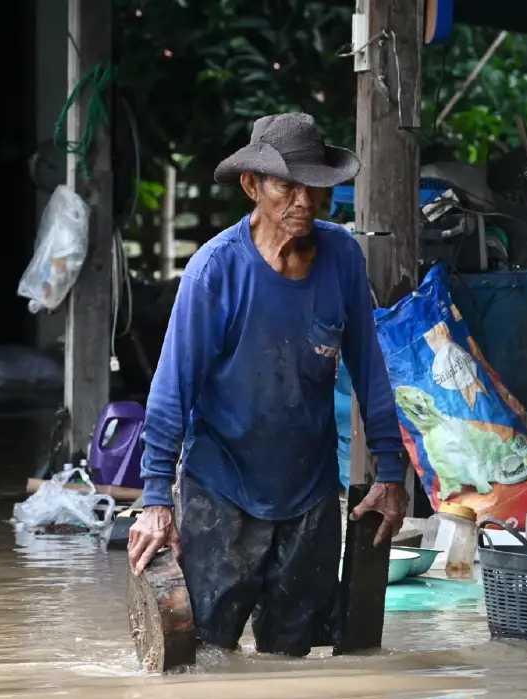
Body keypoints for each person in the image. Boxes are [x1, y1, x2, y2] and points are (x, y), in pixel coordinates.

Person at [127, 112, 409, 657]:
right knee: (207, 656)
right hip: (222, 488)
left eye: (316, 187)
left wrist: (390, 471)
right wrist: (156, 499)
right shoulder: (215, 271)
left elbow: (370, 368)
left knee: (292, 660)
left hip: (309, 491)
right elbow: (171, 390)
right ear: (252, 186)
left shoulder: (342, 258)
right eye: (288, 185)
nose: (304, 201)